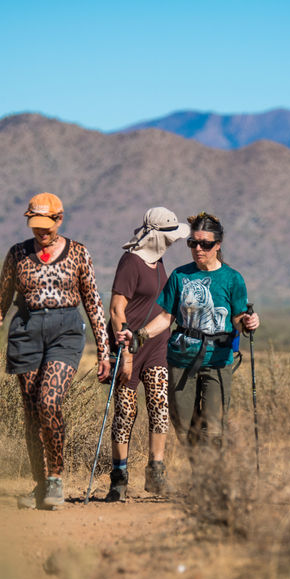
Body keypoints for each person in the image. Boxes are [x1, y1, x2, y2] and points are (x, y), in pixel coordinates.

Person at [0, 192, 111, 509]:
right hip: (26, 332)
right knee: (32, 413)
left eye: (46, 225)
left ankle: (56, 478)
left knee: (49, 401)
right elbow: (1, 301)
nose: (40, 231)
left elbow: (93, 303)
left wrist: (104, 351)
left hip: (65, 332)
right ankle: (40, 484)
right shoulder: (17, 254)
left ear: (59, 219)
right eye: (35, 225)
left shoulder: (79, 253)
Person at [117, 212, 260, 467]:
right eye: (193, 243)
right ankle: (199, 472)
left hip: (218, 361)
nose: (198, 249)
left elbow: (239, 319)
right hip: (181, 359)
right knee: (184, 426)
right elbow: (166, 317)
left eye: (205, 244)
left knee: (213, 428)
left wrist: (249, 323)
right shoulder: (180, 276)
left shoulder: (232, 279)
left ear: (218, 245)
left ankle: (209, 479)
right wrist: (139, 335)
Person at [103, 206, 189, 502]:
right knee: (125, 412)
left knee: (159, 406)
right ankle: (119, 477)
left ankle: (156, 473)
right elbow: (117, 310)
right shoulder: (131, 262)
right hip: (128, 346)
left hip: (155, 345)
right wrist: (125, 354)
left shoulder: (158, 261)